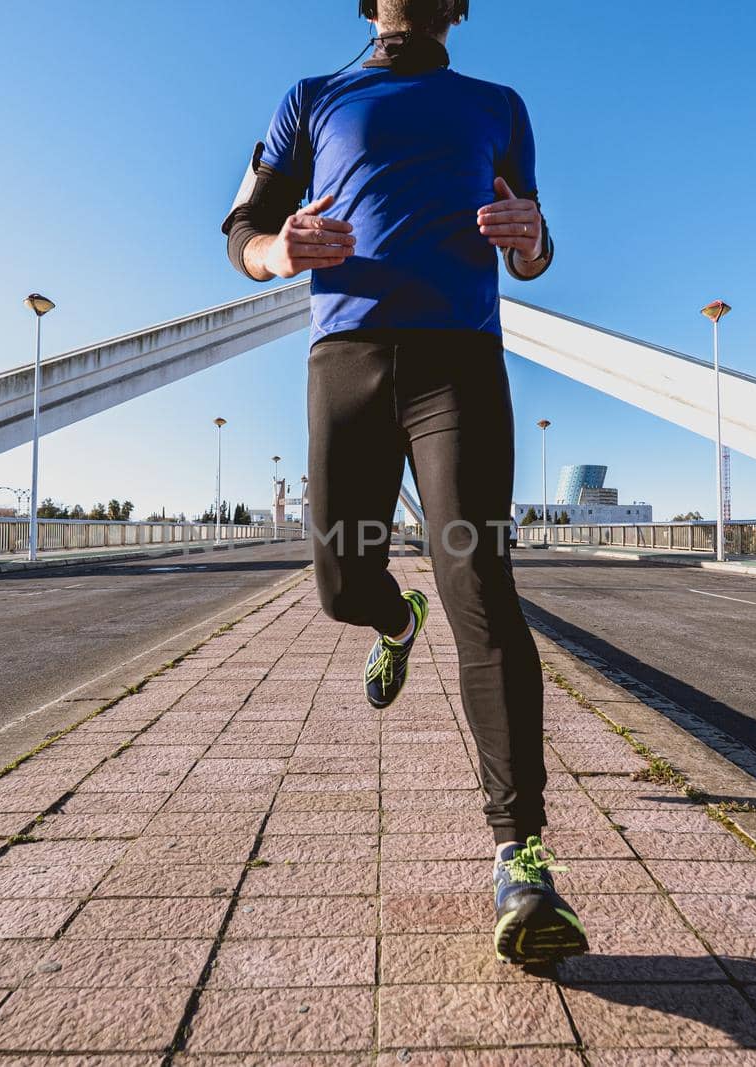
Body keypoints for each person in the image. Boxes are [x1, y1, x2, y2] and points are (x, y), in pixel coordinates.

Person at [221, 0, 586, 965]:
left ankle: (522, 854)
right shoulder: (312, 97)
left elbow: (536, 245)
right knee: (342, 583)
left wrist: (532, 238)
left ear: (460, 6)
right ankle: (393, 622)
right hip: (344, 357)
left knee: (479, 582)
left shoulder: (499, 104)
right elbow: (244, 227)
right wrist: (277, 251)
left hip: (459, 365)